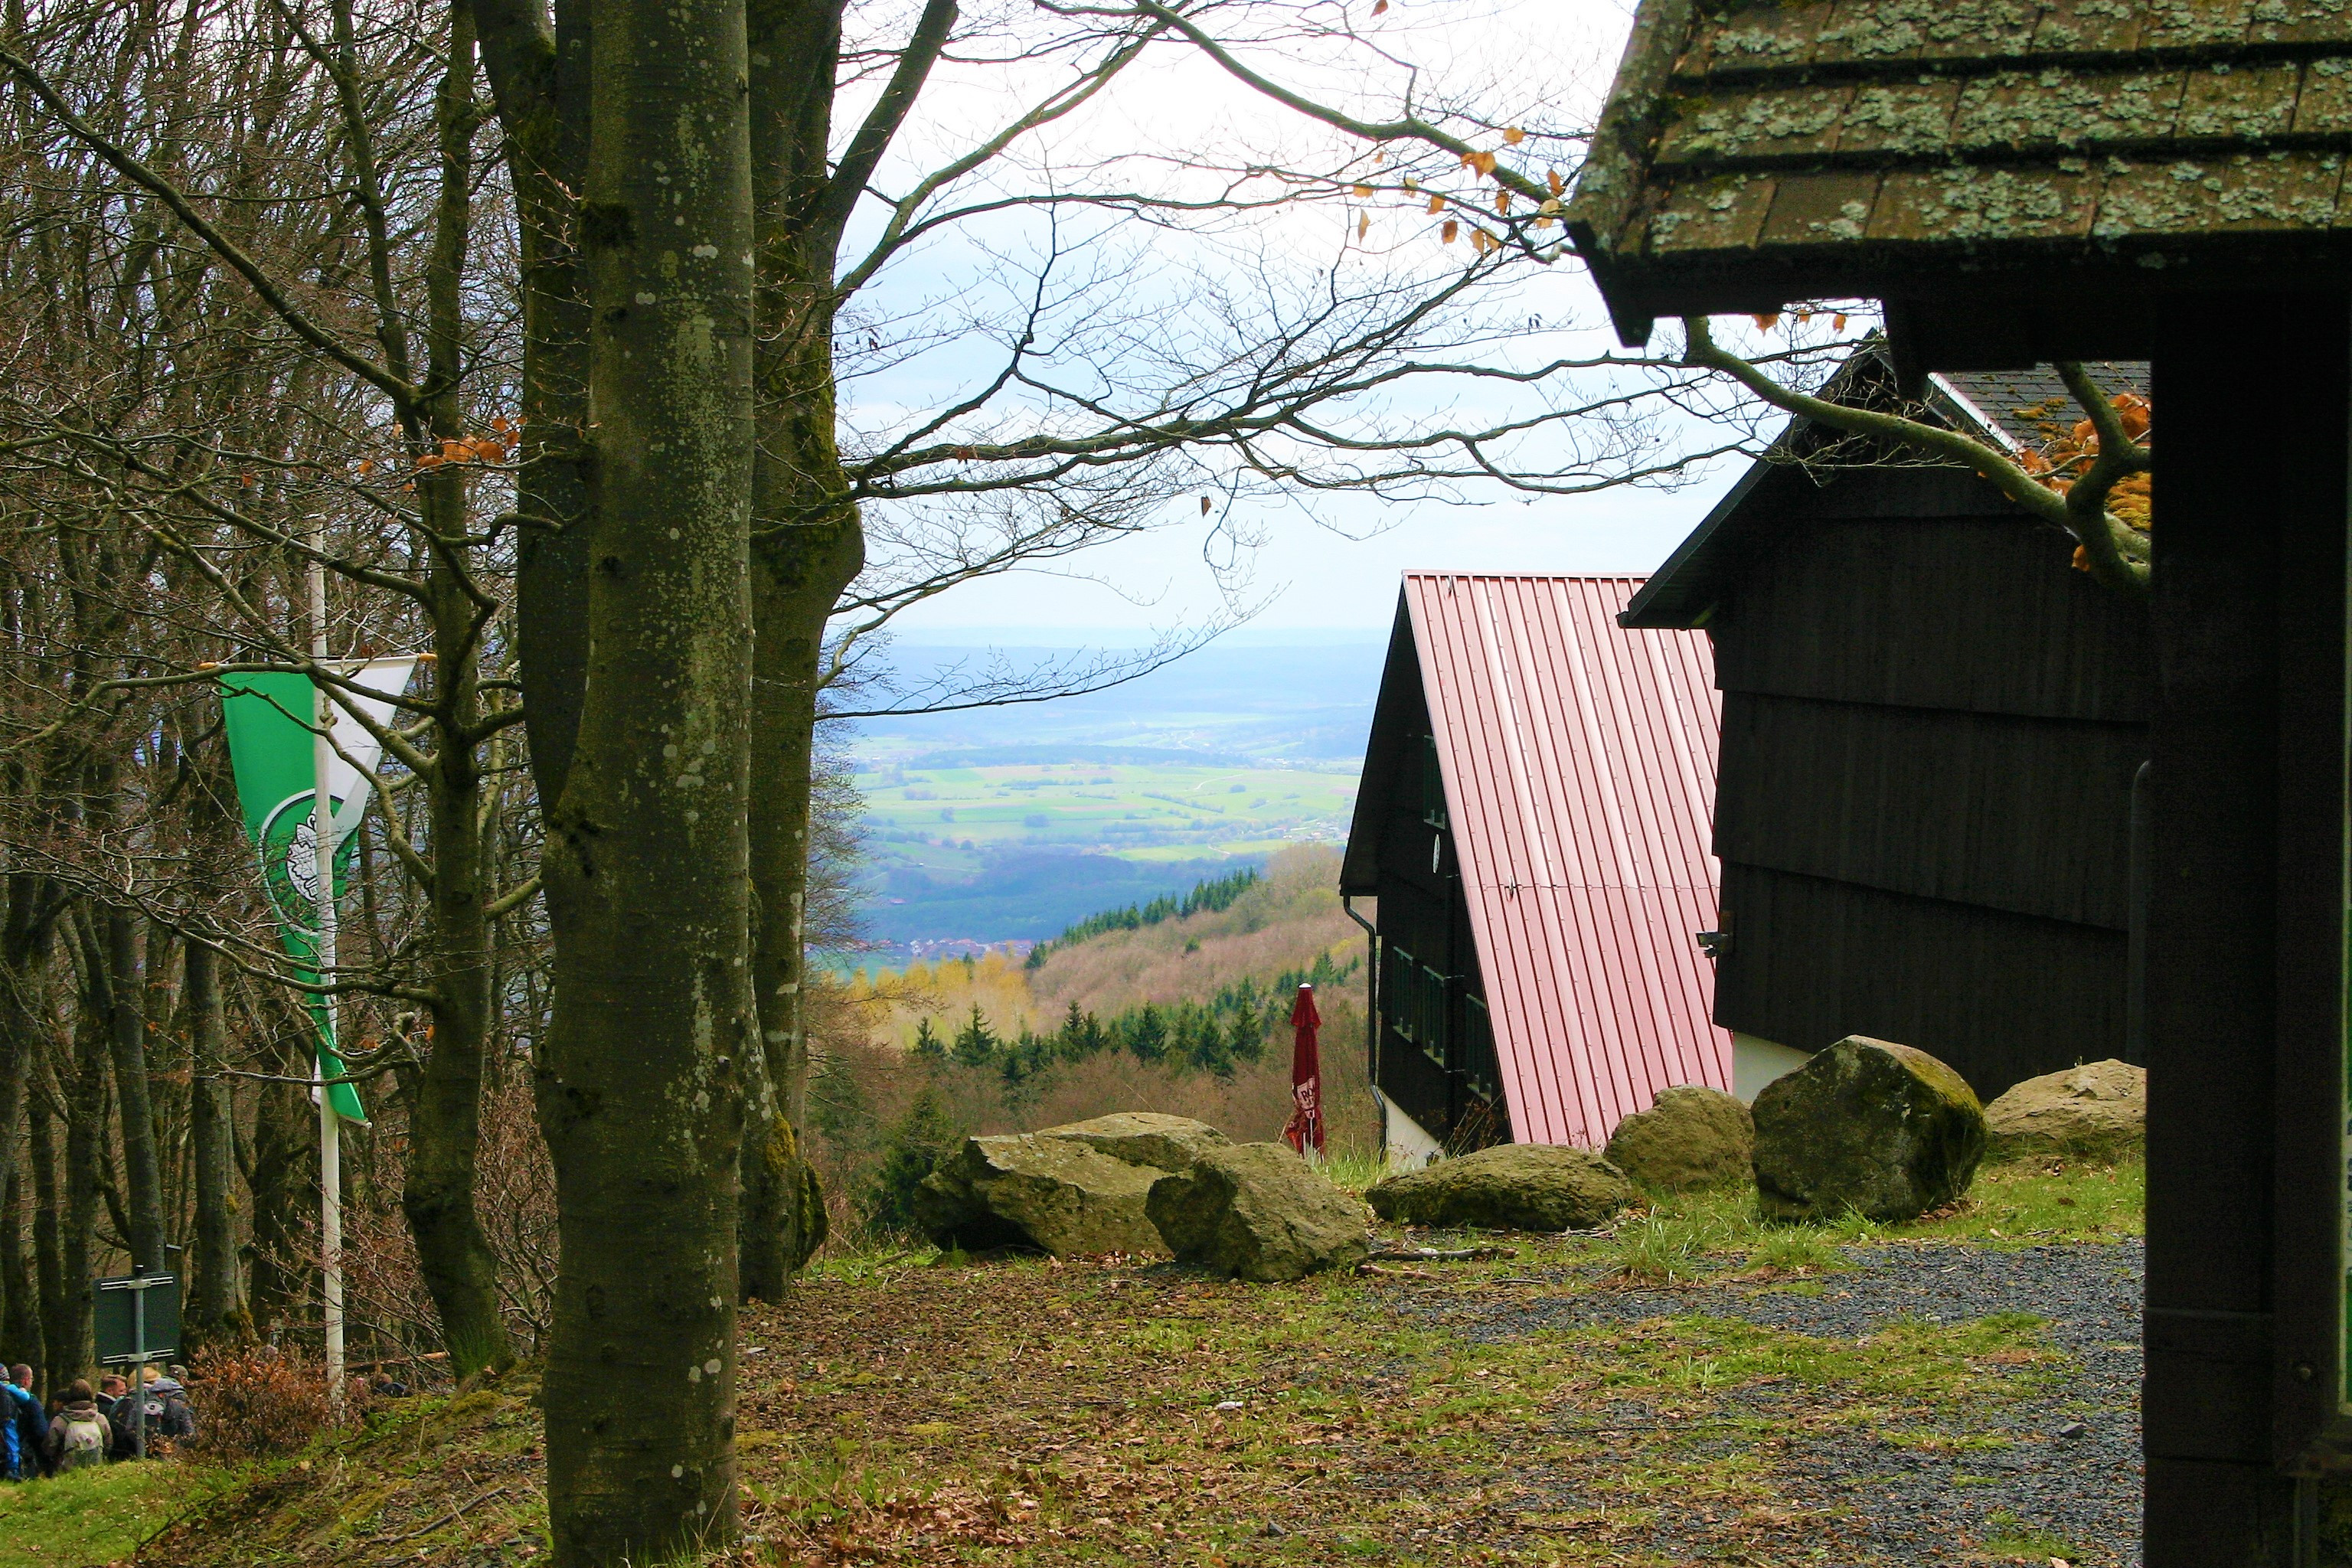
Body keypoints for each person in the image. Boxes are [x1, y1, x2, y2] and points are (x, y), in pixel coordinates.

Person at [44, 1382, 107, 1472]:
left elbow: (51, 1446)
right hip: (95, 1469)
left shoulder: (60, 1420)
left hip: (67, 1471)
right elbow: (108, 1443)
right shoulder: (100, 1419)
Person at [3, 1367, 44, 1478]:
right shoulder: (26, 1398)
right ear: (25, 1380)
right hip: (21, 1447)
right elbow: (41, 1431)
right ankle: (13, 1470)